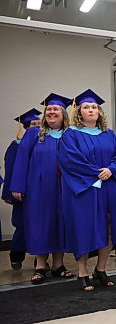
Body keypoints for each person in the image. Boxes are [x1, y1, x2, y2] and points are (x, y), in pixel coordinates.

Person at [57, 89, 116, 291]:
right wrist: (97, 175)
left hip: (108, 187)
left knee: (109, 228)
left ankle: (100, 268)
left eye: (94, 107)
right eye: (86, 107)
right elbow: (70, 162)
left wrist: (110, 170)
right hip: (85, 189)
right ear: (79, 112)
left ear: (99, 112)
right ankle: (82, 272)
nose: (91, 110)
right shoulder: (70, 135)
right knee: (84, 228)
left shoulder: (108, 134)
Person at [10, 93, 74, 284]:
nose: (52, 112)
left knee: (60, 222)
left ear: (63, 114)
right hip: (37, 188)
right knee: (39, 223)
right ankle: (40, 265)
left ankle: (58, 265)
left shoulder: (70, 135)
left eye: (56, 110)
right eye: (49, 110)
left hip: (64, 188)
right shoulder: (34, 134)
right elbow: (21, 161)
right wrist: (18, 186)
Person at [1, 108, 41, 270]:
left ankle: (40, 259)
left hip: (39, 191)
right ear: (25, 127)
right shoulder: (16, 146)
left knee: (41, 226)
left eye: (39, 124)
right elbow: (10, 170)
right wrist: (9, 193)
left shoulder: (43, 142)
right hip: (22, 193)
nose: (37, 127)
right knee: (23, 226)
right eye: (33, 124)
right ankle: (17, 255)